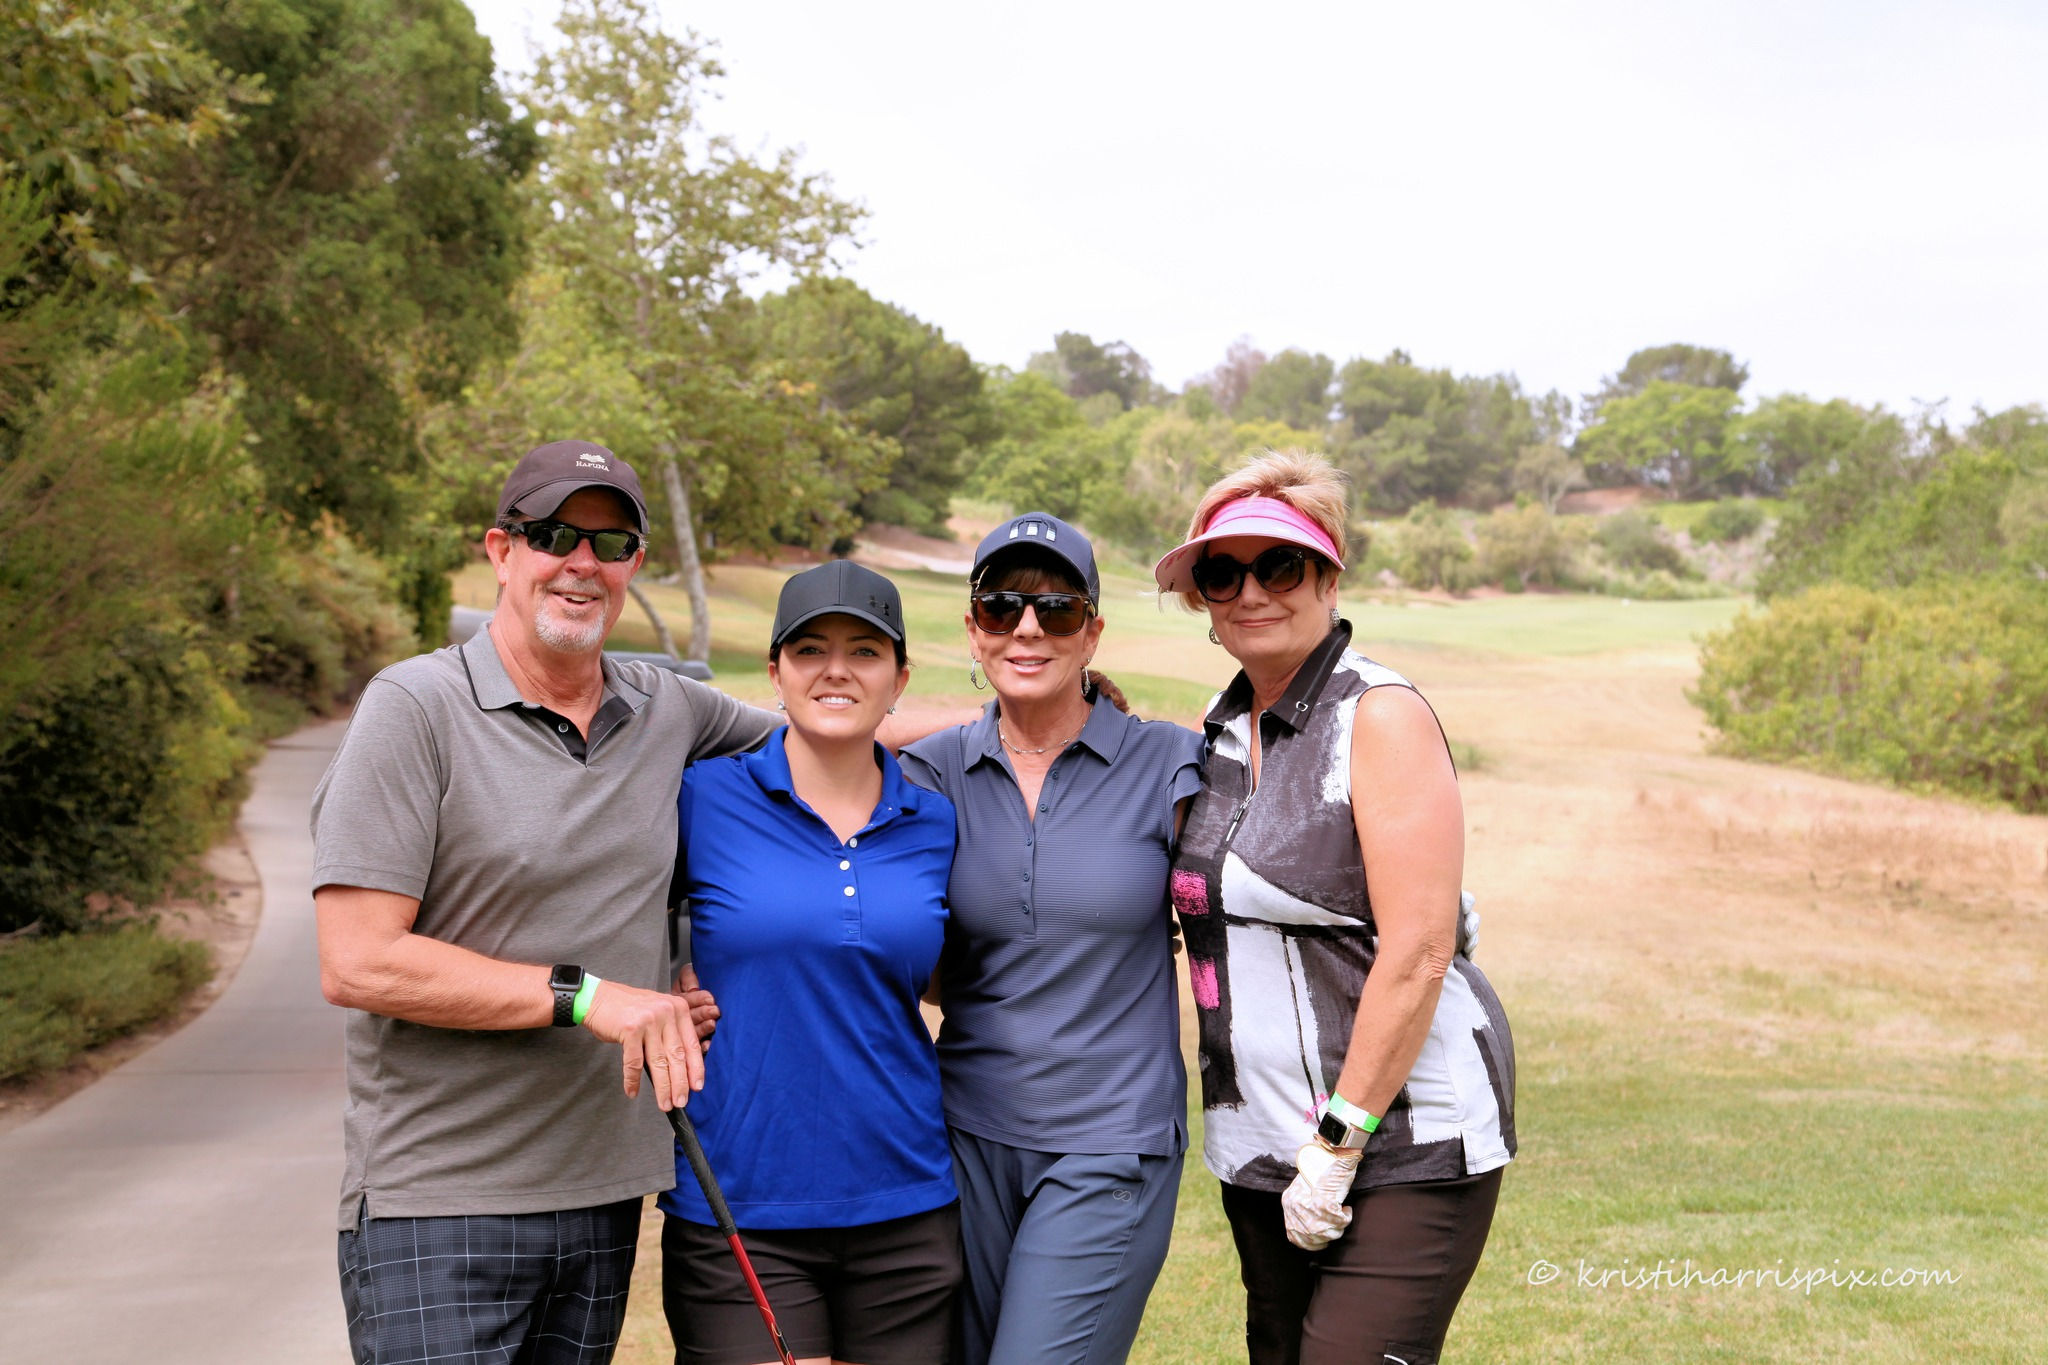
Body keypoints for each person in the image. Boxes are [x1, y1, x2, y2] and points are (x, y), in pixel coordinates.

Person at [312, 441, 962, 1365]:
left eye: (609, 541)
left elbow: (829, 729)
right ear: (502, 549)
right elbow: (358, 959)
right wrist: (594, 995)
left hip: (599, 1195)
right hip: (441, 1197)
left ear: (633, 567)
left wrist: (1032, 723)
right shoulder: (414, 708)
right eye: (552, 535)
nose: (582, 562)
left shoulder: (668, 710)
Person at [1155, 451, 1515, 1365]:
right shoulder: (1219, 724)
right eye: (1221, 572)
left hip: (1396, 1143)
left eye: (1278, 565)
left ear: (1325, 573)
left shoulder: (1378, 714)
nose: (1250, 591)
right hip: (1259, 1144)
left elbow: (1423, 947)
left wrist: (1338, 1143)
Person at [899, 513, 1204, 1365]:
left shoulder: (1172, 766)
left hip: (1111, 1139)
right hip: (962, 1137)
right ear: (973, 628)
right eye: (1001, 607)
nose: (1027, 627)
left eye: (1056, 609)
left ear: (1092, 630)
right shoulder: (929, 773)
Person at [659, 560, 962, 1365]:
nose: (836, 669)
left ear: (899, 677)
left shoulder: (936, 822)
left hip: (907, 1201)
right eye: (809, 649)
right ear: (775, 671)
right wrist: (663, 982)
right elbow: (609, 907)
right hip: (739, 1203)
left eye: (864, 650)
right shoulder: (701, 797)